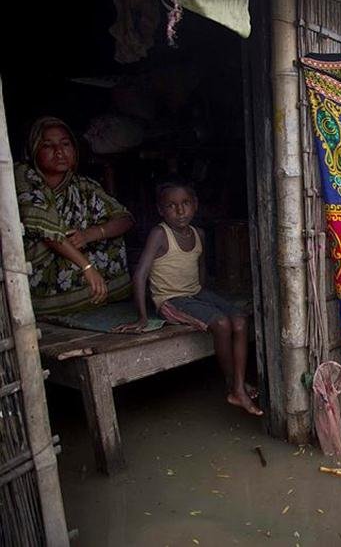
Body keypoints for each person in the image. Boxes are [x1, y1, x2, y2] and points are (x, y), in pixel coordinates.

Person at [114, 179, 262, 416]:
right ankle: (233, 386)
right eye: (172, 206)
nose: (180, 210)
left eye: (185, 203)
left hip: (195, 293)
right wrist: (142, 317)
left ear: (195, 205)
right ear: (161, 210)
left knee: (240, 319)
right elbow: (140, 275)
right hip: (171, 300)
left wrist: (206, 299)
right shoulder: (159, 234)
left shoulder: (199, 233)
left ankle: (238, 385)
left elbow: (201, 270)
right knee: (222, 324)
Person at [14, 116, 134, 315]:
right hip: (36, 270)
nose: (59, 152)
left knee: (109, 233)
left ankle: (100, 293)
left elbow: (126, 218)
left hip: (74, 258)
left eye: (65, 144)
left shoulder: (82, 186)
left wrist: (89, 234)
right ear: (34, 150)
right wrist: (86, 266)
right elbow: (47, 230)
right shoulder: (24, 176)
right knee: (51, 239)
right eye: (48, 146)